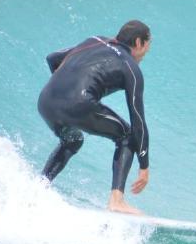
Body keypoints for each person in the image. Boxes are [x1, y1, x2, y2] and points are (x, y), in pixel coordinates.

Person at [38, 20, 153, 214]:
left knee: (72, 141)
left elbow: (52, 58)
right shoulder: (131, 68)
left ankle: (38, 188)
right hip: (78, 104)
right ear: (139, 42)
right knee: (126, 136)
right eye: (147, 47)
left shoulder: (95, 39)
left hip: (46, 101)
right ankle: (116, 201)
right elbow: (138, 120)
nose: (146, 53)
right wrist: (144, 165)